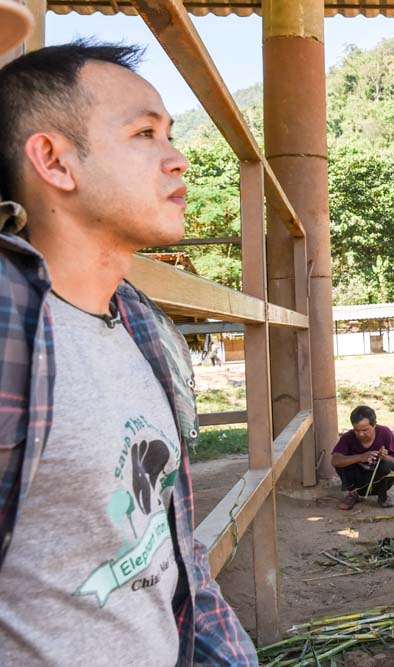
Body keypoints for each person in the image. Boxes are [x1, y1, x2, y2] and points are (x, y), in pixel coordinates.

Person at [0, 40, 257, 665]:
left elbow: (170, 549)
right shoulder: (10, 324)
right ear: (55, 161)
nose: (179, 160)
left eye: (170, 134)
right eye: (146, 133)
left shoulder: (145, 326)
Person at [331, 406, 394, 510]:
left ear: (374, 425)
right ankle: (353, 494)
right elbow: (335, 461)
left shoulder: (385, 432)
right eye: (356, 430)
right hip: (358, 481)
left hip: (376, 480)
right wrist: (360, 457)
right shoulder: (348, 437)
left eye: (365, 430)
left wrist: (384, 457)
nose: (361, 434)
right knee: (342, 462)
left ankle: (383, 496)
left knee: (388, 465)